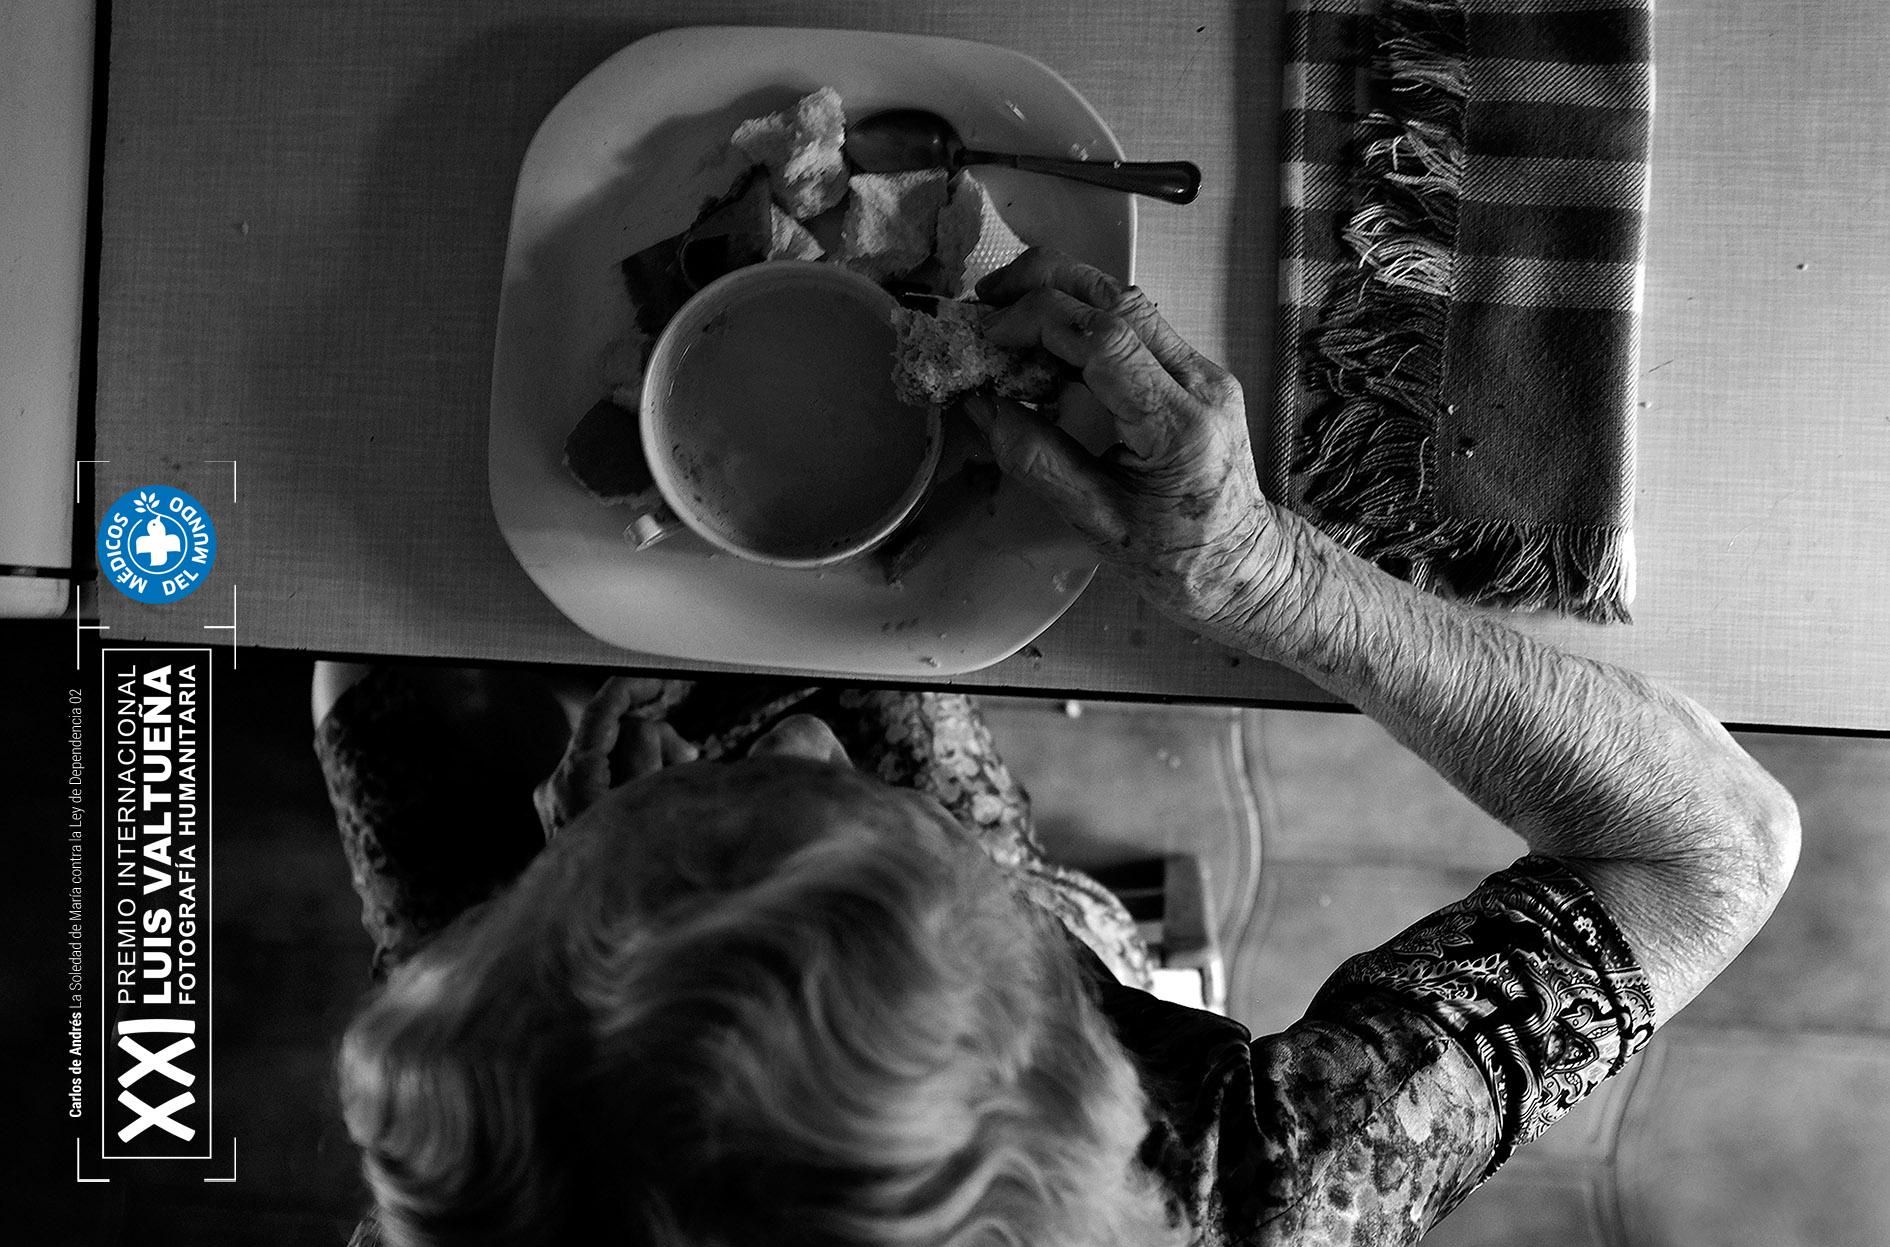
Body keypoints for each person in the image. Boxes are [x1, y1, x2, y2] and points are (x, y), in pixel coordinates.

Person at [321, 249, 1800, 1247]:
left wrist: (580, 876)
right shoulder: (1254, 1193)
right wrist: (1265, 578)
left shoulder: (500, 1106)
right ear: (1101, 1102)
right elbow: (1716, 844)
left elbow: (354, 675)